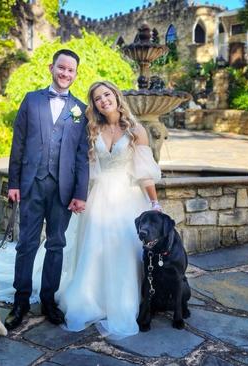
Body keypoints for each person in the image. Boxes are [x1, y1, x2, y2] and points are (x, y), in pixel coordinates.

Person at [58, 81, 162, 339]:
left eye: (107, 94)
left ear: (116, 96)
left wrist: (154, 204)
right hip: (99, 197)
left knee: (125, 250)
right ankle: (91, 298)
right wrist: (77, 195)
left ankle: (124, 301)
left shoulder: (136, 130)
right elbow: (85, 168)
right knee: (93, 249)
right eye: (97, 98)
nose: (104, 100)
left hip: (127, 197)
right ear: (94, 105)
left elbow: (144, 173)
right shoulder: (93, 129)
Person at [5, 49, 90, 329]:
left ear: (76, 74)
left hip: (63, 190)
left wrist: (80, 193)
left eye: (71, 70)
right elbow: (18, 144)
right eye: (62, 68)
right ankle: (21, 299)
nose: (66, 74)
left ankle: (48, 299)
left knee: (57, 243)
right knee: (26, 243)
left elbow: (81, 155)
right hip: (31, 185)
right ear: (51, 68)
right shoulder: (32, 101)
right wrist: (14, 183)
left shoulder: (80, 110)